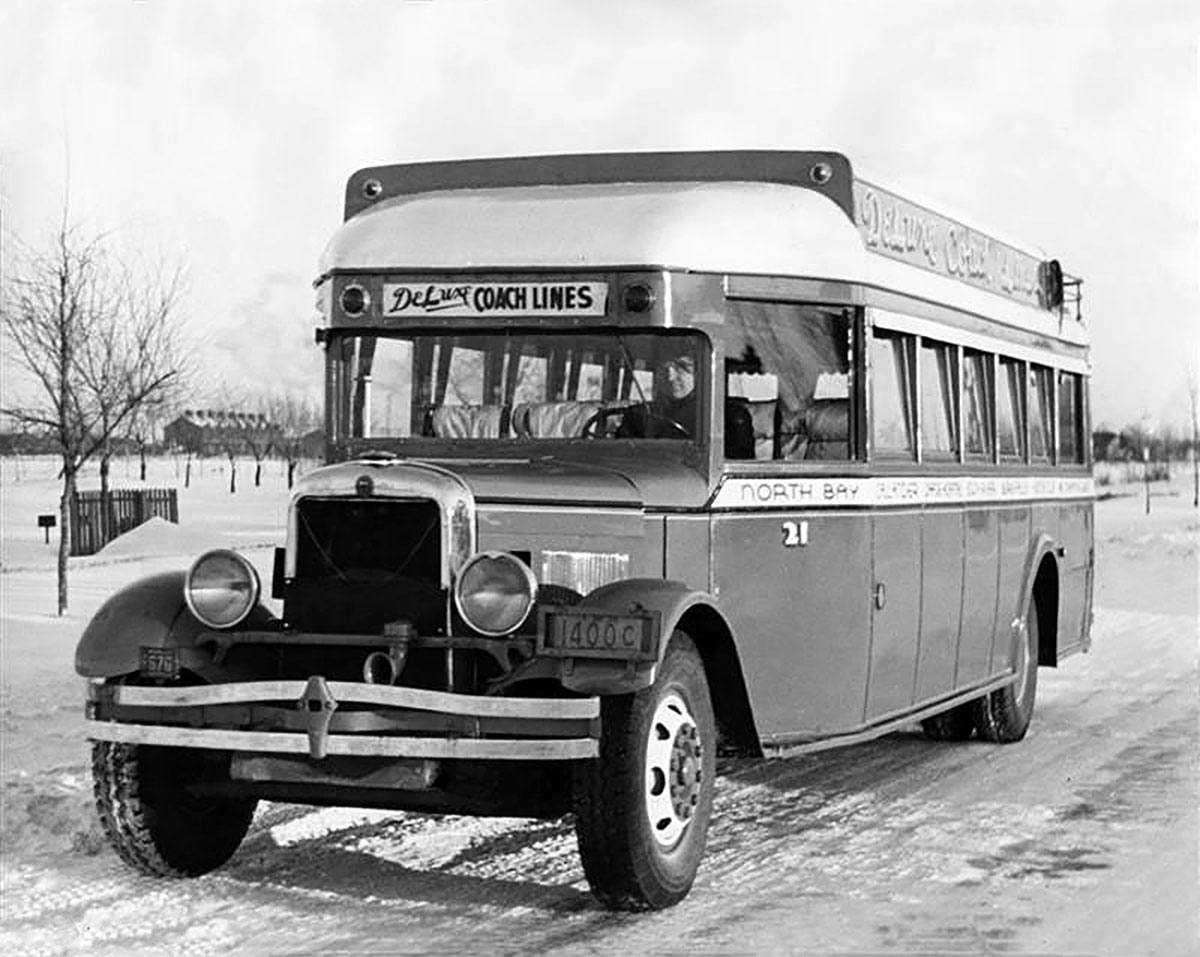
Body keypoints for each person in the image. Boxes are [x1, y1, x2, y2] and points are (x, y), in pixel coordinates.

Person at [616, 351, 755, 457]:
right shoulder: (638, 415)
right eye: (663, 369)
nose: (670, 377)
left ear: (700, 374)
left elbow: (738, 469)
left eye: (681, 368)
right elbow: (622, 460)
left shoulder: (729, 416)